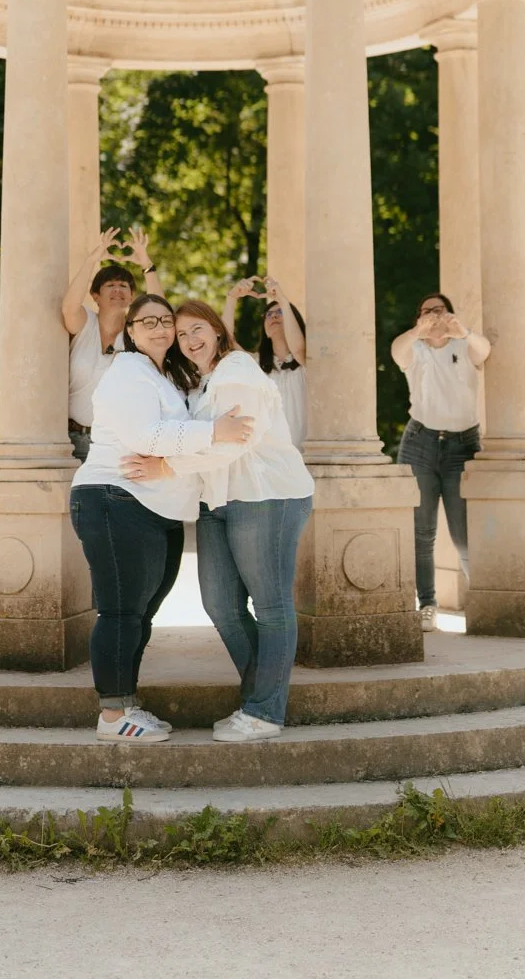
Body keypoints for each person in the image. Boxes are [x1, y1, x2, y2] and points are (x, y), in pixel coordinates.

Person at [124, 299, 314, 744]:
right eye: (181, 333)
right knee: (220, 605)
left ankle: (265, 711)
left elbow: (237, 442)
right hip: (219, 500)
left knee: (270, 607)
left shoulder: (238, 370)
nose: (189, 340)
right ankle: (260, 699)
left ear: (216, 328)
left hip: (266, 496)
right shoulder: (206, 382)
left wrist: (166, 467)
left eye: (197, 330)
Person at [70, 292, 253, 743]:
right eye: (146, 321)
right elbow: (145, 436)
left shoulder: (164, 377)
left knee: (140, 614)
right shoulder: (127, 371)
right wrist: (215, 431)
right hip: (116, 498)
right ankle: (112, 717)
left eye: (165, 320)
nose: (159, 327)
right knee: (120, 612)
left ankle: (127, 704)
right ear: (130, 332)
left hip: (152, 508)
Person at [390, 292, 491, 632]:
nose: (434, 315)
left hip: (462, 445)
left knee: (463, 532)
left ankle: (481, 598)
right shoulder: (414, 349)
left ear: (450, 314)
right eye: (426, 311)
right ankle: (427, 604)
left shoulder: (464, 346)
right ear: (418, 318)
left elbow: (484, 351)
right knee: (422, 532)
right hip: (420, 442)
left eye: (440, 310)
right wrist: (418, 331)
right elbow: (396, 351)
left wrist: (463, 332)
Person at [62, 226, 163, 462]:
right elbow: (68, 307)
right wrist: (92, 259)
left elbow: (159, 309)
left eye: (124, 286)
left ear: (131, 296)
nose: (117, 289)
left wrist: (146, 262)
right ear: (95, 295)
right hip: (72, 438)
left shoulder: (136, 333)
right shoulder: (85, 323)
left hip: (118, 443)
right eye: (110, 285)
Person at [223, 274, 307, 446]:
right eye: (268, 314)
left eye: (280, 312)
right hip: (271, 462)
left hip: (307, 460)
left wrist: (282, 299)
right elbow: (225, 344)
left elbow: (298, 348)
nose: (273, 316)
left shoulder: (307, 362)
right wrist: (232, 298)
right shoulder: (256, 365)